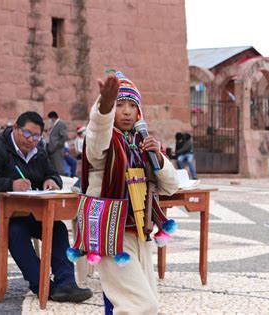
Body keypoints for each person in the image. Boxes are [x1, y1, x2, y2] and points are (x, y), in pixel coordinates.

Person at [0, 111, 93, 302]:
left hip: (23, 211)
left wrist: (51, 181)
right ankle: (42, 285)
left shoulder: (39, 153)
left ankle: (66, 283)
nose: (31, 140)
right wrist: (11, 184)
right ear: (16, 128)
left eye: (36, 136)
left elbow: (53, 173)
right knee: (16, 230)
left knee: (56, 226)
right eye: (27, 134)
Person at [83, 70, 179, 314]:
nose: (126, 111)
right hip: (110, 229)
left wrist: (157, 156)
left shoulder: (142, 143)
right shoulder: (102, 142)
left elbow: (170, 186)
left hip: (139, 228)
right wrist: (103, 108)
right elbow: (96, 136)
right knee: (141, 305)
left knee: (128, 299)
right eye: (119, 104)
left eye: (131, 106)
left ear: (139, 113)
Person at [47, 111, 69, 175]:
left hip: (57, 149)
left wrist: (57, 145)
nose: (49, 121)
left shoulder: (61, 124)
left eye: (50, 119)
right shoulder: (54, 125)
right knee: (54, 168)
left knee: (59, 167)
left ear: (53, 118)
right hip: (53, 150)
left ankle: (62, 181)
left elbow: (65, 136)